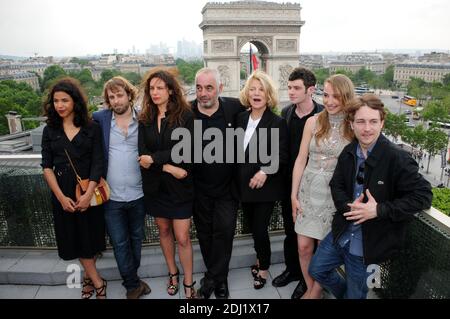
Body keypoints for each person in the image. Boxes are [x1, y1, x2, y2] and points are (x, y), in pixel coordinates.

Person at [309, 94, 433, 299]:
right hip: (342, 234)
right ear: (352, 124)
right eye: (361, 121)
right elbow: (336, 185)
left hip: (370, 247)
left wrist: (377, 210)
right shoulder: (349, 151)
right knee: (317, 270)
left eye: (373, 121)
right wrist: (347, 206)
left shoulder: (398, 158)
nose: (367, 128)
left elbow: (423, 195)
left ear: (382, 123)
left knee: (358, 293)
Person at [41, 77, 107, 299]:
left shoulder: (92, 127)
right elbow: (47, 167)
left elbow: (99, 163)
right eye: (56, 100)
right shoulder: (49, 130)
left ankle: (89, 279)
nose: (59, 105)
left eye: (64, 100)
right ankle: (98, 282)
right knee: (76, 240)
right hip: (63, 194)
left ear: (75, 101)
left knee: (91, 239)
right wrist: (60, 197)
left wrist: (88, 195)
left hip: (89, 191)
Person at [291, 74, 355, 299]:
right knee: (303, 248)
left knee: (323, 252)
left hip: (333, 197)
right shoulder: (313, 121)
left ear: (346, 97)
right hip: (308, 192)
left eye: (336, 96)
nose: (329, 101)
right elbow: (301, 159)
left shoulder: (354, 126)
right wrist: (293, 196)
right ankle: (312, 290)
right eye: (326, 95)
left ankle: (314, 294)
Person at [138, 68, 197, 298]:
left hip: (180, 188)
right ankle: (173, 273)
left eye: (160, 88)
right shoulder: (144, 118)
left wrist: (155, 159)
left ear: (171, 90)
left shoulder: (186, 116)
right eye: (151, 88)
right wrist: (168, 166)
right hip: (156, 187)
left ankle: (189, 282)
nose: (155, 92)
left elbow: (185, 151)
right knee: (163, 230)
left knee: (182, 237)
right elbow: (142, 155)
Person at [92, 76, 151, 299]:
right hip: (111, 197)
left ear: (129, 94)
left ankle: (132, 280)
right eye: (111, 97)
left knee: (136, 239)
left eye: (119, 95)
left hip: (139, 193)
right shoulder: (99, 119)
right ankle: (132, 285)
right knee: (119, 242)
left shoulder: (144, 119)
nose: (116, 100)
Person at [191, 68, 245, 299]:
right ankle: (219, 280)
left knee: (224, 232)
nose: (203, 93)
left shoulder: (235, 108)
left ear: (220, 89)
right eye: (199, 88)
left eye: (209, 87)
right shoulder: (185, 112)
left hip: (227, 189)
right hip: (197, 189)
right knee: (205, 234)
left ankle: (213, 279)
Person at [272, 67, 323, 299]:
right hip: (288, 186)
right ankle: (293, 271)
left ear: (310, 90)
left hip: (316, 187)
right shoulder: (285, 113)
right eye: (289, 87)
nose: (290, 92)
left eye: (295, 88)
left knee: (313, 238)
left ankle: (308, 281)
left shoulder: (323, 115)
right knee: (291, 231)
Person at [236, 70, 288, 290]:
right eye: (252, 89)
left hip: (265, 188)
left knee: (259, 229)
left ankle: (264, 268)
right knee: (252, 228)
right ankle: (259, 260)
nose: (256, 93)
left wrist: (265, 171)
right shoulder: (239, 118)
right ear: (247, 94)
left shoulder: (277, 122)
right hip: (243, 187)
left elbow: (282, 155)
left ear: (269, 95)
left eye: (261, 90)